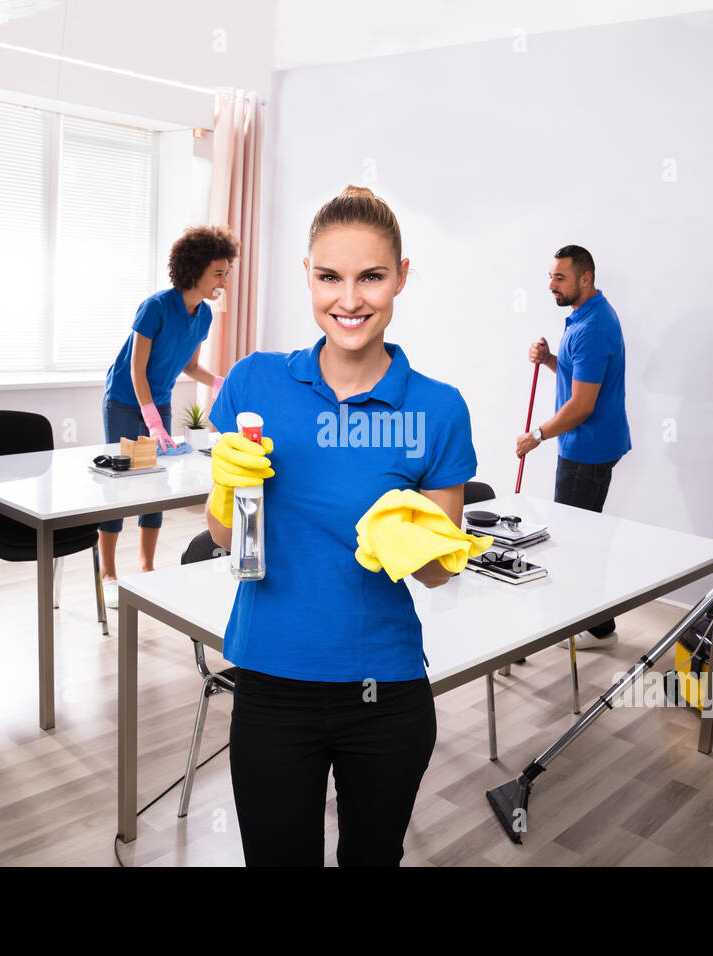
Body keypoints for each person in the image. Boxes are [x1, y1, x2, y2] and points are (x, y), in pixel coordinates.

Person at [204, 186, 479, 866]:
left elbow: (438, 574)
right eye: (329, 277)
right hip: (272, 682)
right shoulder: (255, 384)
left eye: (371, 277)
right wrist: (227, 493)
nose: (349, 300)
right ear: (307, 275)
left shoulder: (439, 409)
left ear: (401, 277)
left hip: (384, 691)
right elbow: (228, 539)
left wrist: (407, 536)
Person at [97, 225, 238, 607]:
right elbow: (136, 370)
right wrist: (153, 420)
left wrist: (221, 381)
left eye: (226, 273)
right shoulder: (155, 307)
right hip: (124, 400)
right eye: (218, 273)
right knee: (119, 483)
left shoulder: (204, 315)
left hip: (158, 400)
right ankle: (107, 572)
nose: (224, 281)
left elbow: (190, 367)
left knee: (155, 485)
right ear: (194, 270)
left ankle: (146, 567)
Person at [517, 244, 631, 648]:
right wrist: (551, 359)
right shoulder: (584, 316)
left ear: (585, 278)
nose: (551, 285)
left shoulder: (593, 327)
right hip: (587, 445)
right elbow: (579, 378)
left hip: (587, 449)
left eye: (560, 278)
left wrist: (537, 435)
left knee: (572, 543)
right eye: (551, 277)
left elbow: (582, 405)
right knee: (584, 538)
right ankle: (600, 625)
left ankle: (580, 626)